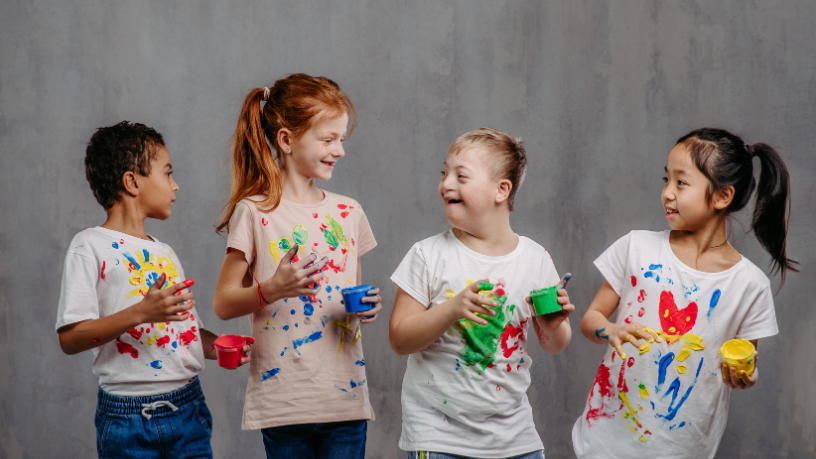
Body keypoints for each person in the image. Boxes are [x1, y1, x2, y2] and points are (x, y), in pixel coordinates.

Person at [572, 128, 797, 458]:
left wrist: (743, 377)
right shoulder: (636, 247)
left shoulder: (749, 285)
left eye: (681, 182)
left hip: (681, 450)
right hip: (603, 442)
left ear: (722, 197)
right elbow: (590, 320)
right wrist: (612, 330)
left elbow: (746, 360)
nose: (667, 192)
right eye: (666, 180)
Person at [56, 121, 250, 459]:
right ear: (132, 182)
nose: (175, 186)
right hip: (125, 420)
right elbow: (70, 338)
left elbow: (184, 331)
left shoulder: (164, 253)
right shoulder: (88, 247)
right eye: (167, 174)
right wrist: (141, 312)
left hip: (188, 409)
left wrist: (220, 346)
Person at [212, 74, 381, 459]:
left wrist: (366, 306)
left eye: (341, 139)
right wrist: (271, 288)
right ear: (286, 141)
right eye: (327, 139)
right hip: (284, 402)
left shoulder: (349, 212)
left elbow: (348, 293)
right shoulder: (255, 212)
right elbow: (222, 303)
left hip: (345, 399)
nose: (338, 150)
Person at [389, 128, 574, 459]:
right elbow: (400, 340)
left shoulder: (535, 260)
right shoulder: (427, 255)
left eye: (461, 176)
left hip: (515, 439)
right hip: (439, 438)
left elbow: (555, 344)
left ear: (501, 190)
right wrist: (453, 309)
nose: (446, 184)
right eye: (444, 173)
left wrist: (553, 323)